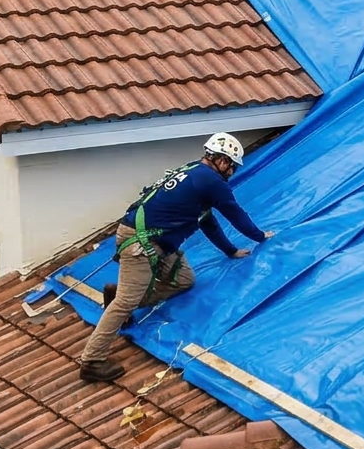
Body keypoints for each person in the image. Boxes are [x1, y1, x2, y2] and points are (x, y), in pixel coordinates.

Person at [77, 133, 266, 383]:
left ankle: (120, 296)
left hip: (154, 241)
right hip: (143, 243)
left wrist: (230, 250)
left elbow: (206, 221)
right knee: (125, 302)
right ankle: (92, 361)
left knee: (184, 280)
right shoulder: (211, 181)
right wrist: (261, 237)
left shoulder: (194, 171)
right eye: (231, 164)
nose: (232, 171)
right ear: (220, 160)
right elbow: (235, 214)